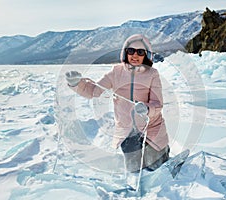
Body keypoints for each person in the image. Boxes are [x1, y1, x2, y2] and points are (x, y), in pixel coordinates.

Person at [65, 34, 169, 174]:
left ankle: (164, 155)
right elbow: (95, 91)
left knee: (155, 166)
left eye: (140, 52)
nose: (135, 55)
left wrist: (146, 109)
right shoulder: (116, 72)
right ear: (125, 52)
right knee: (134, 169)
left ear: (146, 54)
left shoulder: (152, 74)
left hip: (151, 128)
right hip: (127, 131)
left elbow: (157, 104)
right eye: (131, 51)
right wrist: (76, 84)